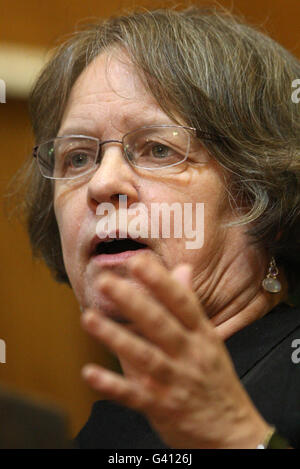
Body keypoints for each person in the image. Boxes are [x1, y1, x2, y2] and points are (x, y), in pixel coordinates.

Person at [22, 6, 300, 448]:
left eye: (157, 149)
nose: (102, 182)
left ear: (266, 196)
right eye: (77, 157)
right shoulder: (104, 433)